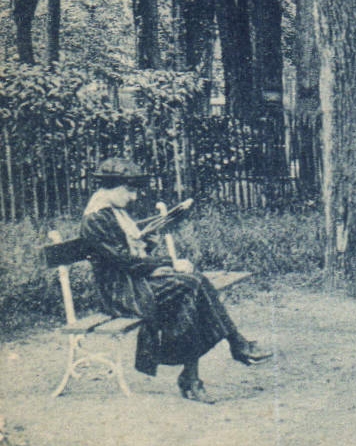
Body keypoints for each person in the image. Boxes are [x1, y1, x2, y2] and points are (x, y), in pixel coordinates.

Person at [80, 158, 273, 403]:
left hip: (133, 282)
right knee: (190, 284)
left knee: (191, 283)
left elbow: (132, 255)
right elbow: (125, 261)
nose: (134, 197)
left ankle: (200, 372)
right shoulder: (95, 219)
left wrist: (150, 242)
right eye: (129, 190)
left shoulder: (113, 212)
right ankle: (230, 349)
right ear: (111, 187)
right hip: (119, 292)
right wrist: (169, 265)